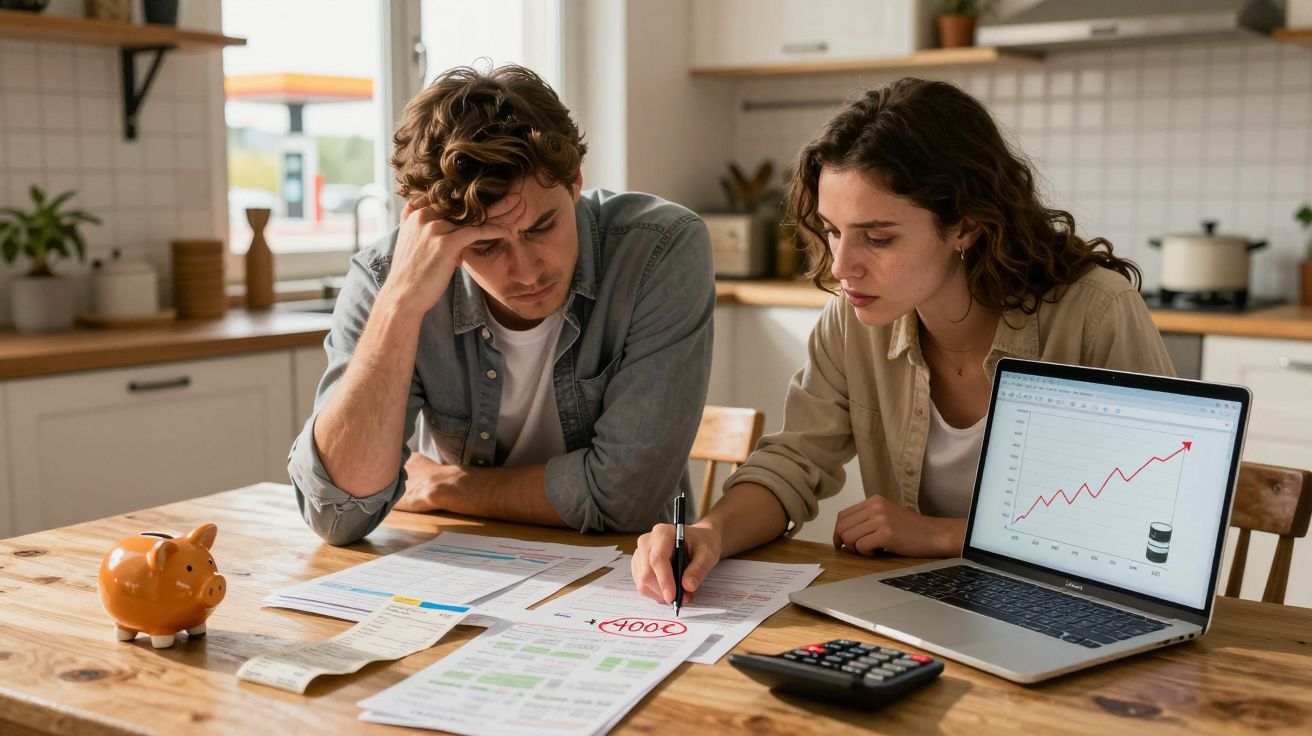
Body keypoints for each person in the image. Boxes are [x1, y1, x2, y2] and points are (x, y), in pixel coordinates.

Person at [632, 77, 1174, 605]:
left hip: (1067, 608)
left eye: (878, 238)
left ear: (965, 226)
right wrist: (710, 534)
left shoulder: (1096, 314)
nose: (841, 266)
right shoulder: (852, 320)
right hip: (921, 604)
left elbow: (1151, 517)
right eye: (833, 231)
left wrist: (941, 535)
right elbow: (794, 462)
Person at [289, 65, 715, 545]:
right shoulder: (386, 276)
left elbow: (625, 498)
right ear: (427, 227)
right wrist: (400, 304)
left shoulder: (659, 249)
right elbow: (337, 514)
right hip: (459, 566)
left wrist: (447, 486)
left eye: (542, 228)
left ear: (574, 182)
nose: (527, 272)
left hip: (626, 570)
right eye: (486, 246)